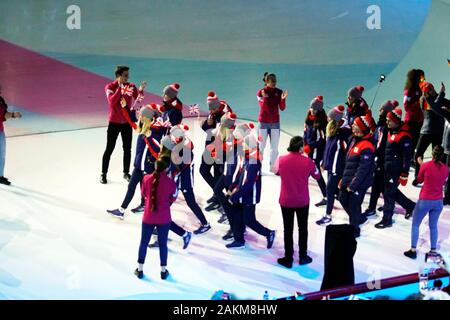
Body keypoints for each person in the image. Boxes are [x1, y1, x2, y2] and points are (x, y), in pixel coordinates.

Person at [107, 103, 166, 217]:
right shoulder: (144, 128)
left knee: (148, 192)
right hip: (139, 166)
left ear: (148, 118)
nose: (140, 117)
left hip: (147, 167)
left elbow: (158, 150)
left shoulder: (154, 131)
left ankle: (155, 216)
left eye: (142, 116)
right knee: (133, 187)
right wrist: (124, 107)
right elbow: (130, 120)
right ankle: (122, 210)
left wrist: (149, 137)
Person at [274, 136, 321, 267]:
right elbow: (317, 175)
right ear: (301, 147)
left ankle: (288, 258)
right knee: (303, 228)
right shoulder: (308, 162)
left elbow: (276, 171)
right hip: (302, 201)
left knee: (287, 229)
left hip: (286, 201)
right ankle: (303, 256)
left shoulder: (281, 160)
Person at [225, 134, 276, 249]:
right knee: (238, 216)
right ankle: (239, 240)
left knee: (249, 220)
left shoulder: (254, 162)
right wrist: (233, 186)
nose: (242, 145)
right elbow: (241, 174)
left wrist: (235, 196)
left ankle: (269, 233)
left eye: (244, 144)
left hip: (249, 196)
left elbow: (248, 184)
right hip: (243, 194)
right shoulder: (248, 157)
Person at [101, 66, 146, 184]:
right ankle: (103, 173)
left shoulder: (131, 86)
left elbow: (139, 99)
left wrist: (141, 90)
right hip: (114, 123)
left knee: (127, 148)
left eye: (128, 75)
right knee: (109, 148)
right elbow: (112, 101)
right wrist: (120, 89)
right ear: (119, 76)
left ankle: (126, 172)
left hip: (126, 123)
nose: (128, 77)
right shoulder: (110, 87)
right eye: (125, 75)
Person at [404, 145, 449, 260]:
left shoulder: (426, 166)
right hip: (438, 201)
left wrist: (421, 165)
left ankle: (413, 250)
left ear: (432, 154)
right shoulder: (446, 169)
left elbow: (419, 179)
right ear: (442, 155)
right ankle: (433, 250)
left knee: (415, 224)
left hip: (425, 200)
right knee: (433, 226)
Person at [135, 156, 175, 280]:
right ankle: (163, 271)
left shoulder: (146, 179)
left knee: (143, 243)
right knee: (163, 245)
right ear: (167, 168)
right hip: (164, 218)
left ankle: (140, 269)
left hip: (148, 216)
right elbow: (172, 198)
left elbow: (144, 194)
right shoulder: (170, 183)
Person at [375, 108, 416, 229]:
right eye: (387, 120)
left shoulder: (404, 136)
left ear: (396, 121)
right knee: (389, 190)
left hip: (395, 170)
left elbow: (407, 157)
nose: (387, 123)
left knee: (389, 193)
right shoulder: (391, 131)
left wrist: (404, 173)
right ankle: (410, 206)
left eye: (389, 121)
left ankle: (387, 219)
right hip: (388, 168)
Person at [339, 115, 375, 238]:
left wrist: (353, 185)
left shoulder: (367, 146)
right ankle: (359, 218)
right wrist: (343, 180)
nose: (352, 125)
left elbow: (363, 170)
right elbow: (348, 162)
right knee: (342, 198)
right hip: (348, 178)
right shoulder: (352, 139)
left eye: (355, 124)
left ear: (361, 128)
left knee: (354, 205)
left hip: (359, 182)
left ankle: (354, 230)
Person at [362, 100, 399, 217]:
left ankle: (374, 207)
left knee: (380, 186)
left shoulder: (385, 127)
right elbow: (375, 133)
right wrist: (369, 118)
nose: (380, 111)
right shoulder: (382, 124)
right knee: (379, 187)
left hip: (382, 161)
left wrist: (374, 155)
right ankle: (374, 207)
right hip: (380, 160)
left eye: (382, 109)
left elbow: (380, 143)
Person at [316, 105, 351, 226]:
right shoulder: (332, 129)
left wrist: (344, 172)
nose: (327, 118)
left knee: (330, 190)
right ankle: (356, 215)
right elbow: (328, 148)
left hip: (338, 168)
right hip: (331, 167)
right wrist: (324, 163)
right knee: (336, 193)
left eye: (329, 117)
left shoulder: (345, 133)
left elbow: (346, 154)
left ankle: (328, 216)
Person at [200, 92, 232, 211]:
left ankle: (220, 198)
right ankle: (218, 194)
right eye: (210, 109)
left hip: (220, 149)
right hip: (210, 146)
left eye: (212, 109)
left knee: (218, 173)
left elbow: (220, 134)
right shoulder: (215, 109)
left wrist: (208, 126)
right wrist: (205, 124)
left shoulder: (225, 115)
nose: (211, 111)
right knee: (203, 170)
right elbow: (207, 129)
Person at [413, 81, 446, 185]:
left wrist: (441, 94)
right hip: (426, 131)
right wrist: (441, 93)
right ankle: (418, 177)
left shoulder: (441, 99)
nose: (431, 91)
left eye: (431, 88)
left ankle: (436, 176)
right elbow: (435, 106)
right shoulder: (424, 100)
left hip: (438, 132)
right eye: (428, 90)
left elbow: (437, 105)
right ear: (425, 92)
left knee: (437, 157)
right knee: (418, 154)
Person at [256, 72, 288, 172]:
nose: (274, 83)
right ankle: (257, 167)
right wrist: (265, 98)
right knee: (261, 146)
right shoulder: (261, 92)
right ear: (266, 82)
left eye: (275, 81)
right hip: (263, 123)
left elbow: (282, 108)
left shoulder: (279, 92)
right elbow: (264, 108)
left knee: (274, 147)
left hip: (275, 123)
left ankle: (273, 167)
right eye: (271, 81)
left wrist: (282, 100)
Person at [303, 96, 328, 207]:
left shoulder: (321, 124)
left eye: (315, 109)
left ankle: (327, 196)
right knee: (307, 171)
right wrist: (304, 145)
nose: (312, 110)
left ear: (319, 110)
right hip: (309, 151)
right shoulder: (309, 118)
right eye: (311, 107)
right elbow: (305, 134)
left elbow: (322, 140)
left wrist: (310, 146)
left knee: (317, 174)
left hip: (316, 153)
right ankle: (299, 186)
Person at [0, 86, 22, 185]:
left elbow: (4, 115)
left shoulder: (1, 100)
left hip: (0, 131)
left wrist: (13, 115)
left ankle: (0, 176)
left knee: (1, 154)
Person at [403, 69, 425, 158]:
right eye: (421, 77)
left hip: (419, 120)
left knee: (417, 141)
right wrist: (417, 103)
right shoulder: (409, 91)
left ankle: (414, 158)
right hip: (411, 120)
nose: (422, 79)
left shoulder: (419, 89)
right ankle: (409, 158)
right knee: (411, 140)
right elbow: (406, 106)